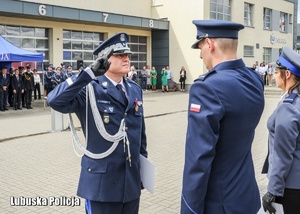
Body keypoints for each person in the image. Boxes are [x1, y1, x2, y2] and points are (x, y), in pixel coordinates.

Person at [47, 32, 148, 214]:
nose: (126, 59)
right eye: (119, 55)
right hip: (102, 185)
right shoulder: (89, 88)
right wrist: (87, 74)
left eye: (127, 55)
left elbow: (140, 136)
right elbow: (54, 100)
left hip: (130, 183)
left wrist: (143, 173)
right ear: (105, 59)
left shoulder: (134, 89)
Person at [181, 20, 264, 214]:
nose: (201, 54)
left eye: (200, 47)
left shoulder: (206, 88)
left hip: (219, 204)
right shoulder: (254, 80)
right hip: (247, 197)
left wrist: (189, 210)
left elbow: (198, 161)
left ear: (209, 44)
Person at [261, 46, 300, 214]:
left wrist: (273, 191)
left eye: (277, 72)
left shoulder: (288, 107)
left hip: (290, 187)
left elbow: (283, 154)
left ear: (288, 74)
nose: (274, 76)